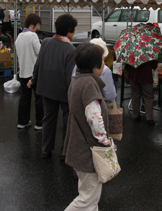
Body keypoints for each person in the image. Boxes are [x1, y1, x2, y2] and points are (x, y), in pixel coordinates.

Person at [64, 43, 110, 211]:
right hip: (88, 151)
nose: (104, 63)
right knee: (87, 200)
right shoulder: (89, 84)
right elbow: (95, 119)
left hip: (78, 146)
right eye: (102, 60)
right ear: (94, 65)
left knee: (88, 195)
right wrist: (105, 142)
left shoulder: (77, 80)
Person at [29, 14, 78, 160]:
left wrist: (34, 80)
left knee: (48, 119)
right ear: (69, 31)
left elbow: (38, 64)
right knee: (67, 120)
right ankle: (64, 151)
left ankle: (46, 149)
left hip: (47, 87)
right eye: (74, 30)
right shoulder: (70, 49)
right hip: (64, 91)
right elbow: (71, 75)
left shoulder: (46, 42)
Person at [15, 14, 43, 130]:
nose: (37, 28)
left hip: (23, 72)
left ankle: (22, 122)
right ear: (32, 25)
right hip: (34, 73)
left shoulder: (19, 37)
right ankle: (39, 123)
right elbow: (40, 53)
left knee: (24, 98)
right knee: (39, 98)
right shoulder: (32, 36)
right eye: (37, 26)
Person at [72, 38, 117, 104]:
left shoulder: (77, 65)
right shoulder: (105, 70)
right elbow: (110, 97)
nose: (103, 63)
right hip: (98, 109)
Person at [126, 59, 159, 126]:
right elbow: (154, 65)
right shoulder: (149, 50)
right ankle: (149, 119)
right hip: (145, 76)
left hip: (133, 75)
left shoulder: (131, 49)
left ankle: (136, 116)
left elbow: (127, 64)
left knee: (135, 96)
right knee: (148, 97)